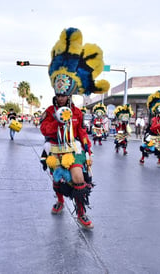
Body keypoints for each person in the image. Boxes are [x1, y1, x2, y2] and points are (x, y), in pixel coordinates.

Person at [40, 27, 109, 229]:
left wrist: (87, 150)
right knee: (58, 179)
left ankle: (81, 213)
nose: (61, 97)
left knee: (79, 177)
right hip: (54, 149)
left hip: (74, 149)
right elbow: (44, 130)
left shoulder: (77, 113)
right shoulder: (50, 110)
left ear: (69, 95)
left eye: (64, 95)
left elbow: (81, 133)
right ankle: (60, 200)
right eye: (59, 94)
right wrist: (56, 121)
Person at [140, 90, 160, 166]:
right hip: (153, 135)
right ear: (156, 112)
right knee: (148, 147)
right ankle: (142, 158)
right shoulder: (154, 119)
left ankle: (159, 160)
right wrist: (159, 125)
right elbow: (152, 128)